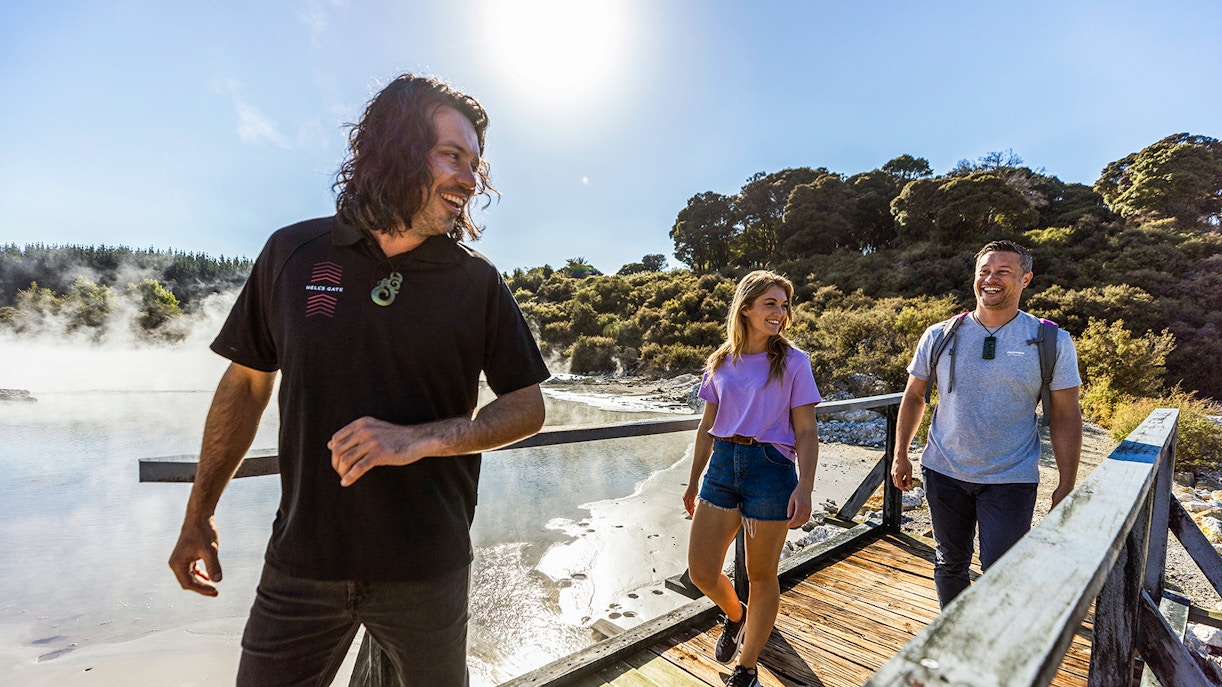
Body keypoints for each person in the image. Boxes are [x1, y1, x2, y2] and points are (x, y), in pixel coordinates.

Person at [168, 73, 550, 686]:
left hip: (429, 570)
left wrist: (416, 439)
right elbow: (246, 385)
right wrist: (199, 514)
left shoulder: (476, 282)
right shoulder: (293, 254)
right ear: (393, 147)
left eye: (474, 163)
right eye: (452, 155)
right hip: (301, 563)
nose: (469, 179)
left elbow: (527, 407)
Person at [891, 240, 1082, 608]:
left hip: (1011, 479)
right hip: (944, 472)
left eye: (1003, 272)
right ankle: (954, 642)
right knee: (949, 563)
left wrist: (1067, 483)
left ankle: (991, 648)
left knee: (1002, 571)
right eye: (984, 271)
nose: (991, 280)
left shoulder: (1051, 341)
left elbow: (1065, 415)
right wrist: (901, 455)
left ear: (1026, 279)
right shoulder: (939, 334)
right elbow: (914, 396)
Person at [683, 270, 821, 687]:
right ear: (745, 308)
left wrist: (805, 487)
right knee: (702, 571)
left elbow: (807, 431)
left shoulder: (794, 362)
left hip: (770, 469)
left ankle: (746, 668)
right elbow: (707, 426)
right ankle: (735, 615)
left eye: (783, 305)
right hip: (723, 466)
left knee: (762, 576)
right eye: (770, 304)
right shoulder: (721, 360)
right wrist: (693, 482)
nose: (779, 313)